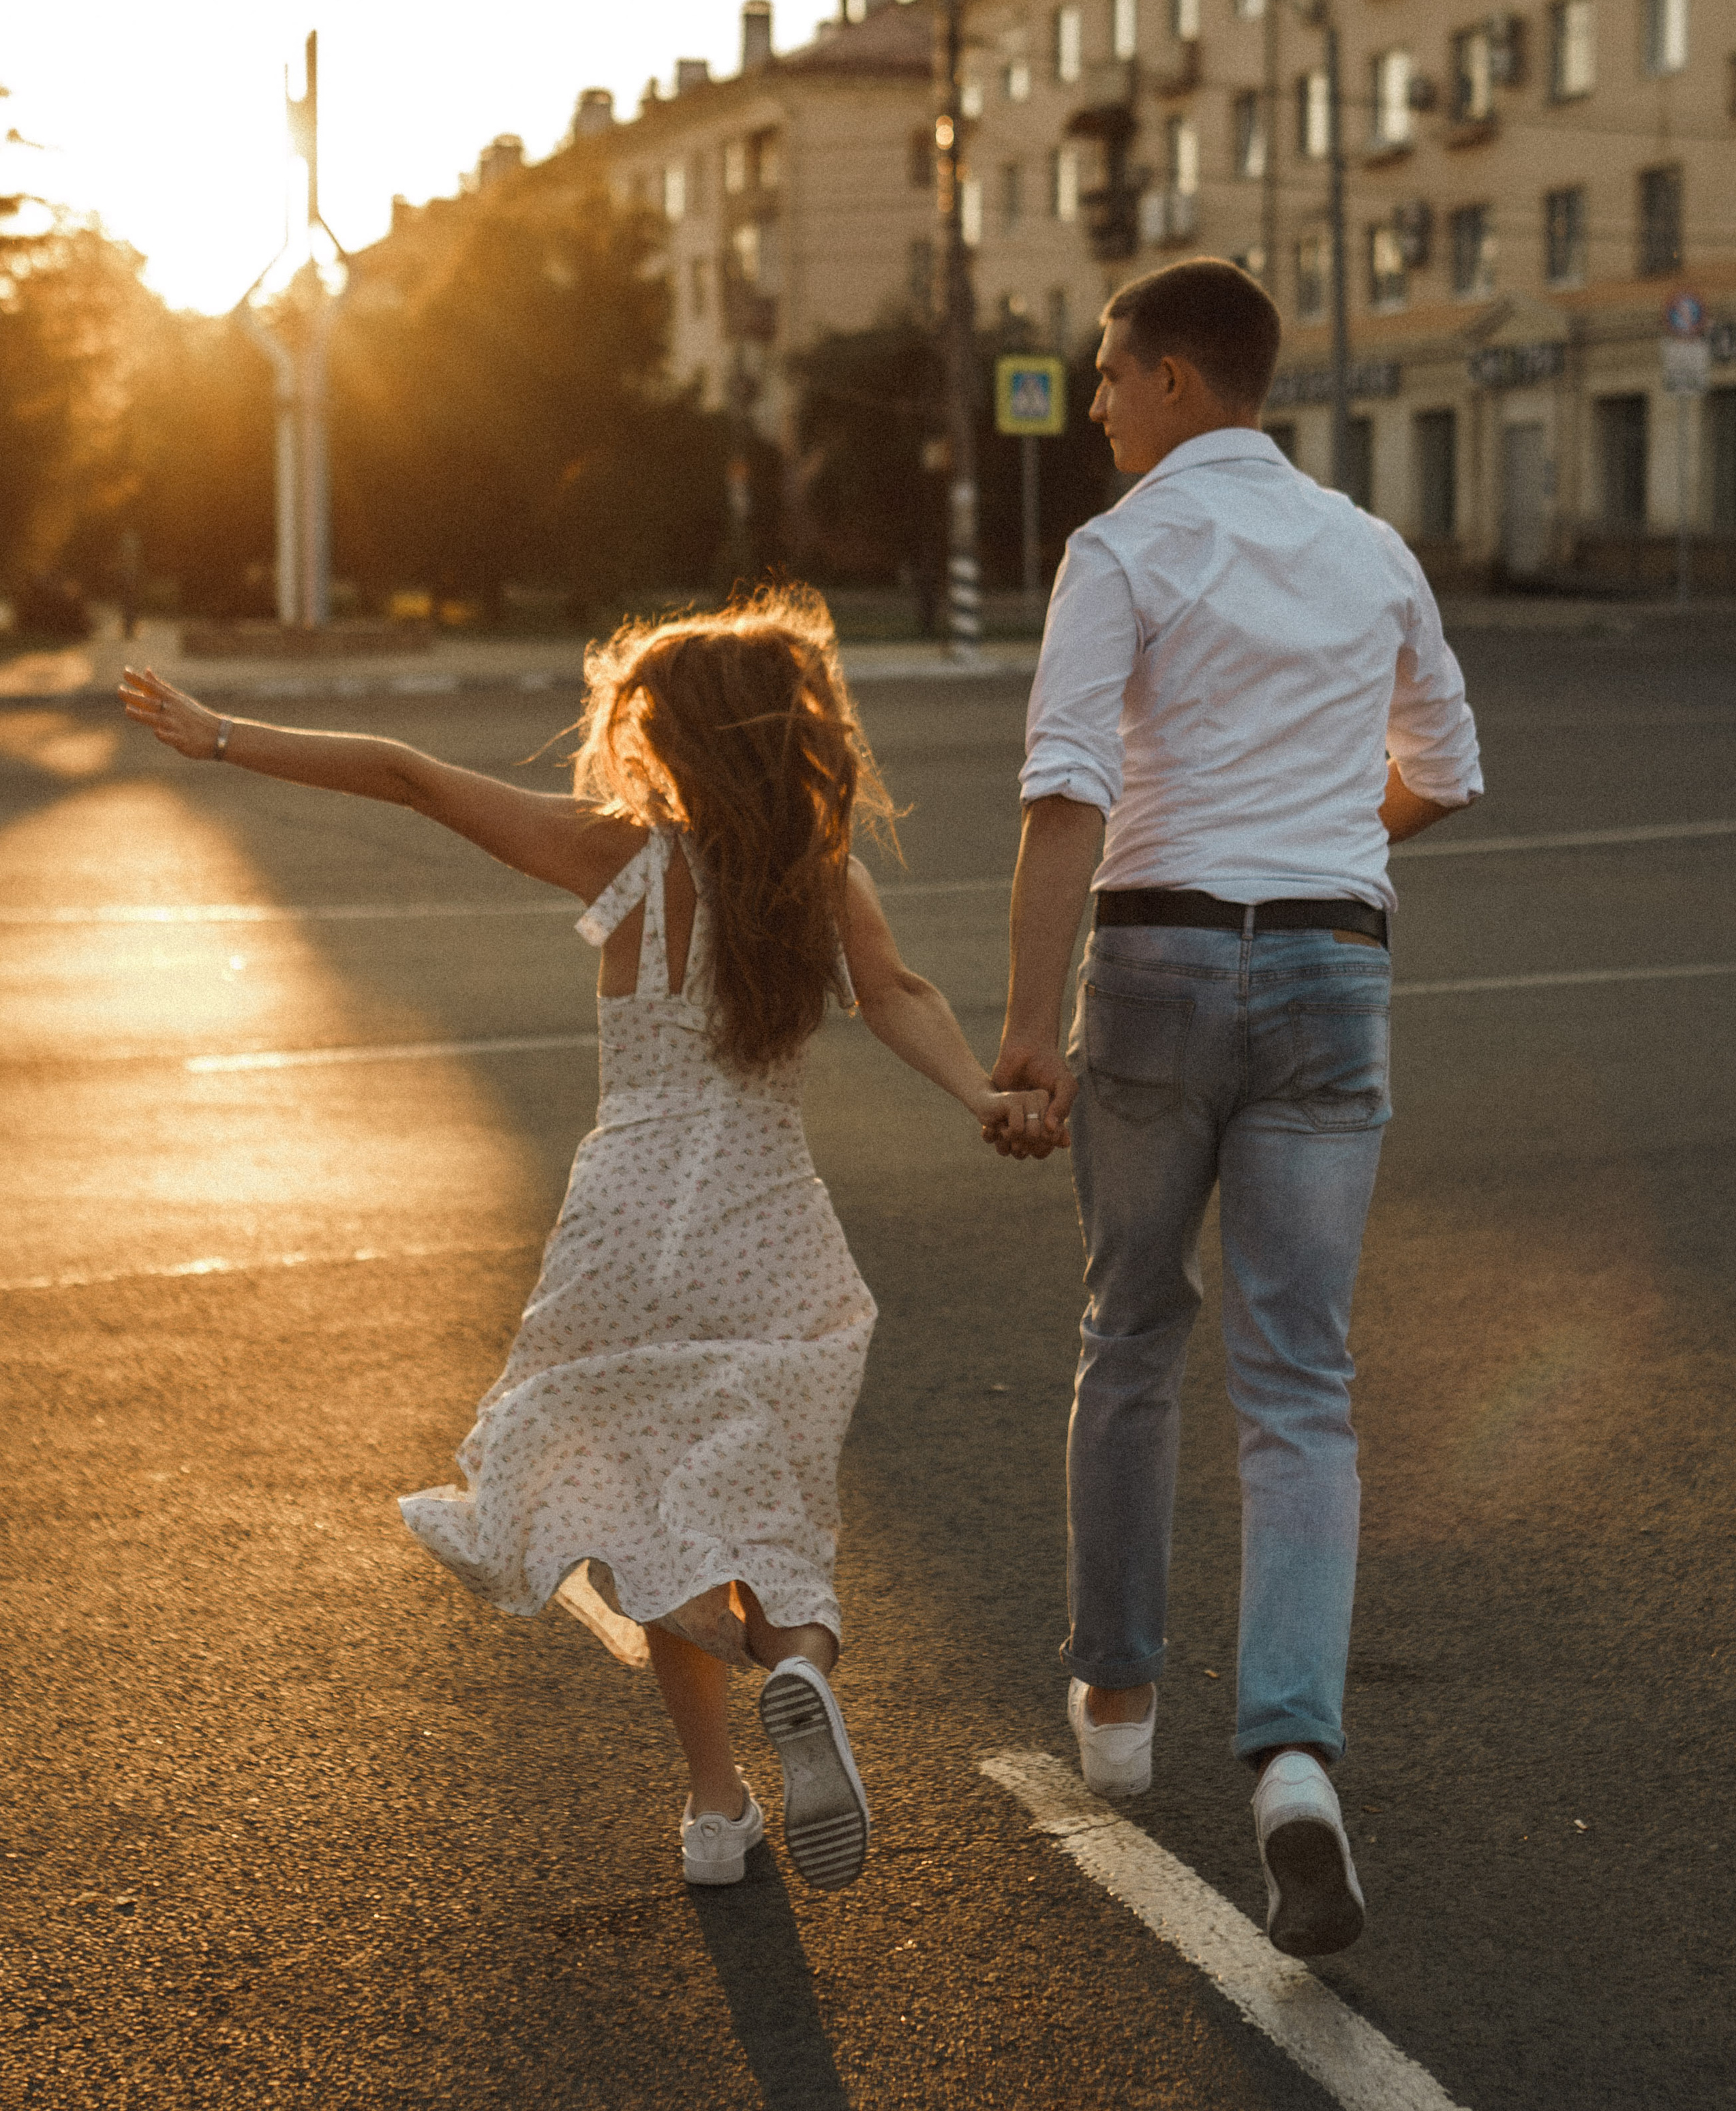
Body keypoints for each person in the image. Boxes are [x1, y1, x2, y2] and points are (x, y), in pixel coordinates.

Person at [121, 588, 1054, 1894]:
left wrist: (221, 735)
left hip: (625, 1222)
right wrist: (982, 1099)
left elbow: (405, 775)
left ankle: (717, 1809)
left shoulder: (628, 861)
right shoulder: (817, 879)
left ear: (671, 740)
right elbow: (896, 994)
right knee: (766, 1496)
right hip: (765, 1224)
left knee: (644, 1507)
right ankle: (798, 1663)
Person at [988, 259, 1482, 1958]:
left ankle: (1117, 1708)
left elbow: (1066, 791)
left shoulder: (1121, 550)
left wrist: (1025, 1032)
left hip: (1157, 968)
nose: (1096, 403)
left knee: (1130, 1328)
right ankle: (1289, 1762)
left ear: (1177, 381)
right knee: (1300, 1379)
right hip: (1333, 974)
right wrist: (1323, 846)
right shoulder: (1368, 549)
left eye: (1109, 374)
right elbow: (1448, 769)